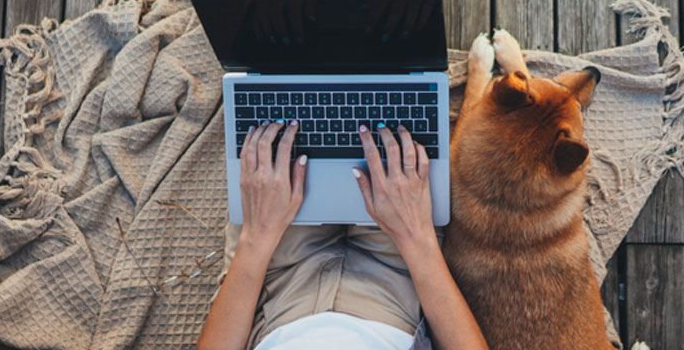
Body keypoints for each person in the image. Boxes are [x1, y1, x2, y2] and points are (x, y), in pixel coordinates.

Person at [196, 122, 487, 350]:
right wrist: (416, 233)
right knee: (402, 131)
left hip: (275, 289)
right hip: (399, 284)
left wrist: (256, 237)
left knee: (274, 121)